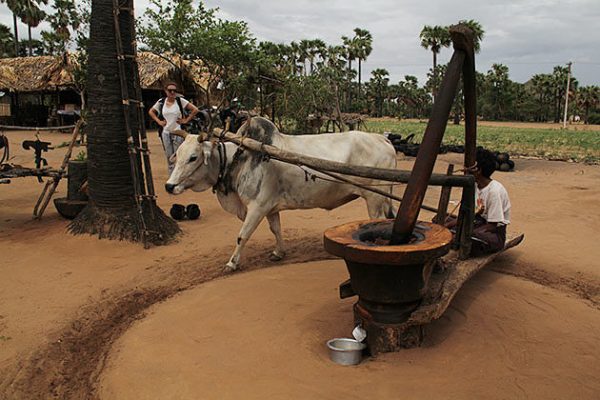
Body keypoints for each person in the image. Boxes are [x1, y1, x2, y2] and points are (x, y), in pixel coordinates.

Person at [446, 148, 511, 256]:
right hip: (477, 223)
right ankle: (456, 238)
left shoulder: (494, 191)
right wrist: (447, 225)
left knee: (469, 237)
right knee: (440, 220)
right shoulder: (475, 186)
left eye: (468, 167)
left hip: (493, 233)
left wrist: (464, 231)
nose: (465, 169)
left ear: (478, 170)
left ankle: (458, 240)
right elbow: (468, 215)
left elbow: (492, 226)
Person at [148, 82, 199, 175]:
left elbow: (195, 109)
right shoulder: (161, 102)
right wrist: (159, 122)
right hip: (166, 132)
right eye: (170, 90)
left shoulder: (180, 101)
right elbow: (151, 111)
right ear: (165, 91)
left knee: (178, 154)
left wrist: (186, 120)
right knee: (169, 155)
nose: (172, 92)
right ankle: (172, 175)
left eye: (174, 91)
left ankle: (178, 174)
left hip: (178, 132)